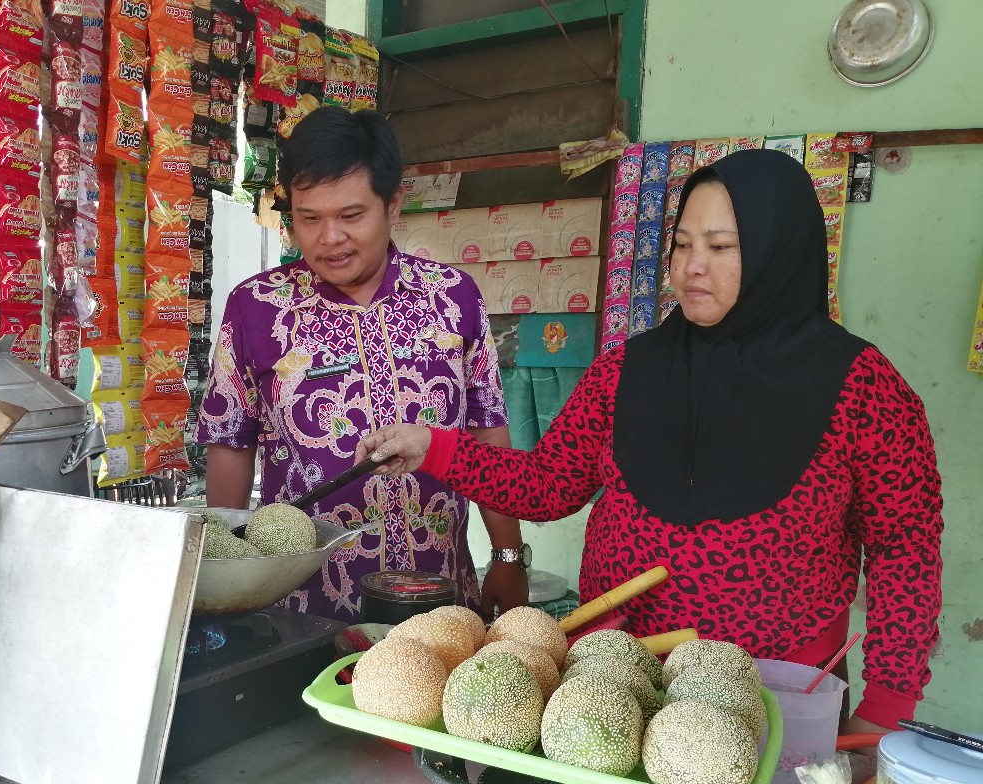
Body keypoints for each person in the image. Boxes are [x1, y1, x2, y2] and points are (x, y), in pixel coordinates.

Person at [354, 148, 943, 736]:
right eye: (682, 245)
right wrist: (432, 447)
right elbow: (548, 487)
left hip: (774, 692)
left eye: (720, 247)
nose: (691, 267)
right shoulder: (624, 372)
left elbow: (906, 550)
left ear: (778, 251)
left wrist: (888, 701)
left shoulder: (862, 388)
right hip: (613, 686)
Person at [197, 106, 529, 621]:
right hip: (304, 608)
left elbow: (488, 432)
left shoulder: (452, 297)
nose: (329, 238)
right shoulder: (256, 308)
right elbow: (230, 444)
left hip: (440, 601)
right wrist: (229, 578)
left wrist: (508, 556)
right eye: (309, 218)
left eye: (351, 216)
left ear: (393, 205)